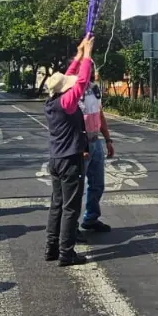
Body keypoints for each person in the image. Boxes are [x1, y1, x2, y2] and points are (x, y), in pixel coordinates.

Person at [44, 35, 94, 266]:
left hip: (55, 159)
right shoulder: (67, 103)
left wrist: (79, 54)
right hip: (69, 160)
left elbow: (69, 77)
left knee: (57, 204)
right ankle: (66, 253)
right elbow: (81, 80)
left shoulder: (52, 100)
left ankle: (51, 247)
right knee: (70, 208)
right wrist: (89, 55)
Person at [79, 62, 114, 233]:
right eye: (88, 68)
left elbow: (100, 114)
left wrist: (108, 139)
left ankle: (91, 218)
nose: (93, 71)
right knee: (76, 187)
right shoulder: (73, 91)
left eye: (93, 68)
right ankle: (70, 227)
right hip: (80, 144)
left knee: (97, 184)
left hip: (96, 141)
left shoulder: (94, 89)